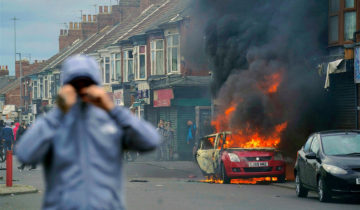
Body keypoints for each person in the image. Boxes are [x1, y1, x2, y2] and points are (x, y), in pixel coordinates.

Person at [15, 55, 160, 210]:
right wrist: (59, 112)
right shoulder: (54, 123)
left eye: (87, 84)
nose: (81, 89)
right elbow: (25, 153)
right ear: (65, 87)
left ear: (96, 86)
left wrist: (112, 108)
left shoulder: (110, 120)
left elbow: (151, 141)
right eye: (75, 84)